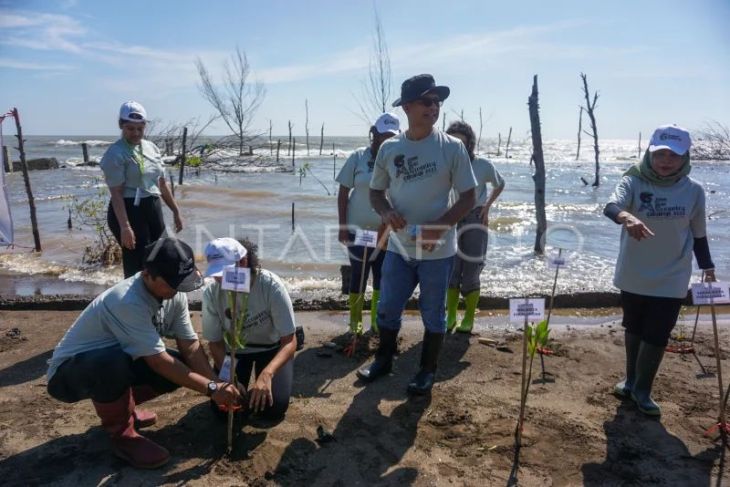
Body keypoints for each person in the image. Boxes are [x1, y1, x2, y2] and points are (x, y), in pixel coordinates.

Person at [46, 237, 242, 469]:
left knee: (179, 365)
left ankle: (124, 410)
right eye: (172, 282)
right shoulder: (127, 301)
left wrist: (218, 384)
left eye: (182, 281)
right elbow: (158, 361)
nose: (179, 288)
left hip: (116, 363)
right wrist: (210, 390)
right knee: (114, 362)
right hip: (69, 375)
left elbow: (189, 346)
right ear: (147, 274)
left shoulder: (174, 294)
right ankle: (122, 435)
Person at [357, 74, 477, 395]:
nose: (433, 107)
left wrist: (440, 226)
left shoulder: (452, 148)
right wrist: (384, 211)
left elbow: (468, 197)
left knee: (433, 313)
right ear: (407, 106)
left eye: (437, 101)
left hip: (438, 251)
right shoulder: (390, 148)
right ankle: (384, 360)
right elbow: (376, 193)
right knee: (387, 307)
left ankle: (427, 370)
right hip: (398, 247)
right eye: (426, 100)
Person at [604, 124, 716, 417]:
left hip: (673, 275)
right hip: (634, 273)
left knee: (658, 332)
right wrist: (627, 217)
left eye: (674, 155)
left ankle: (643, 390)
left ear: (685, 157)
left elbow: (699, 233)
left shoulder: (694, 191)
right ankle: (630, 382)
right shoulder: (634, 181)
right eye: (659, 154)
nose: (666, 161)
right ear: (649, 154)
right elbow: (611, 205)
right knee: (634, 327)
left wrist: (707, 266)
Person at [202, 237, 297, 420]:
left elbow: (289, 341)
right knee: (223, 409)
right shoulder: (212, 293)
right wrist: (231, 379)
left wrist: (266, 375)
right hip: (234, 353)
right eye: (216, 273)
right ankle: (244, 387)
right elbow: (215, 343)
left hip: (270, 348)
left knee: (273, 408)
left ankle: (260, 385)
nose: (219, 279)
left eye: (224, 272)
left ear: (243, 262)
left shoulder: (270, 286)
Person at [101, 101, 184, 278]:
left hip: (152, 206)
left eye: (140, 128)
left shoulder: (151, 148)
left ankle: (157, 301)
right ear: (121, 126)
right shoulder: (115, 153)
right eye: (130, 128)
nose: (136, 133)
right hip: (129, 209)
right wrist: (125, 227)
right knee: (137, 263)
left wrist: (176, 211)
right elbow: (116, 193)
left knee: (159, 257)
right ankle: (133, 302)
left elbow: (161, 184)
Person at [336, 113, 400, 335]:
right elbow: (343, 192)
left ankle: (376, 322)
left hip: (386, 232)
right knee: (358, 275)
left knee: (382, 276)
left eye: (392, 136)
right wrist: (342, 226)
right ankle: (355, 323)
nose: (387, 140)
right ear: (375, 134)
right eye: (383, 135)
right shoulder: (358, 157)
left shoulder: (398, 160)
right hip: (357, 231)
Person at [444, 121, 505, 333]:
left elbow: (500, 183)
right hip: (450, 218)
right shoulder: (445, 164)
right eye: (452, 141)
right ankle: (450, 315)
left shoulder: (483, 165)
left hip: (474, 219)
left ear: (470, 143)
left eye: (461, 142)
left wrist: (487, 207)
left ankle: (469, 318)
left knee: (471, 271)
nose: (457, 147)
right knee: (451, 270)